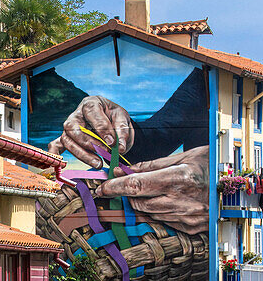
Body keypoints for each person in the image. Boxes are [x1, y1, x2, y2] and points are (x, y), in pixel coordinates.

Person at [48, 67, 209, 235]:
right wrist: (121, 134)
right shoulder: (203, 77)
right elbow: (160, 136)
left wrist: (217, 185)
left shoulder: (218, 76)